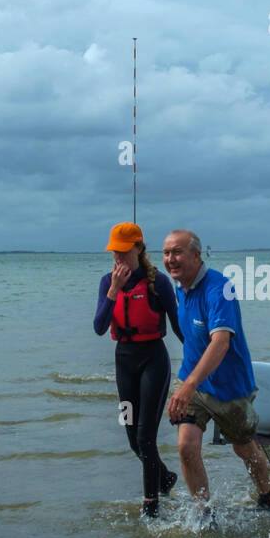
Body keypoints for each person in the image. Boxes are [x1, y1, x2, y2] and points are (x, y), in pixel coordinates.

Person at [162, 229, 270, 517]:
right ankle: (203, 512)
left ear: (197, 255)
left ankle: (267, 498)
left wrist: (187, 386)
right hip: (195, 383)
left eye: (177, 252)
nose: (170, 259)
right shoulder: (180, 287)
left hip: (230, 388)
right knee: (187, 447)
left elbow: (221, 342)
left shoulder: (220, 288)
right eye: (166, 253)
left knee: (244, 450)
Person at [94, 222, 183, 518]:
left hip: (153, 361)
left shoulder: (158, 282)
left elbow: (180, 328)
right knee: (132, 437)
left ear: (139, 248)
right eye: (113, 252)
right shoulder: (108, 282)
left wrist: (205, 359)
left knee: (146, 438)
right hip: (124, 362)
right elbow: (98, 328)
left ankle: (150, 504)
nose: (118, 257)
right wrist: (114, 291)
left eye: (123, 251)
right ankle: (165, 478)